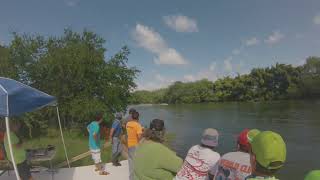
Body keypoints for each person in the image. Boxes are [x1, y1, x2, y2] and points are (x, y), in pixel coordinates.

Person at [126, 111, 143, 180]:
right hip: (135, 146)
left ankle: (131, 178)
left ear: (131, 117)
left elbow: (131, 131)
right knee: (137, 163)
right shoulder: (137, 125)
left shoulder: (128, 124)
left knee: (131, 162)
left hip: (129, 145)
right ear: (138, 117)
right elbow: (139, 137)